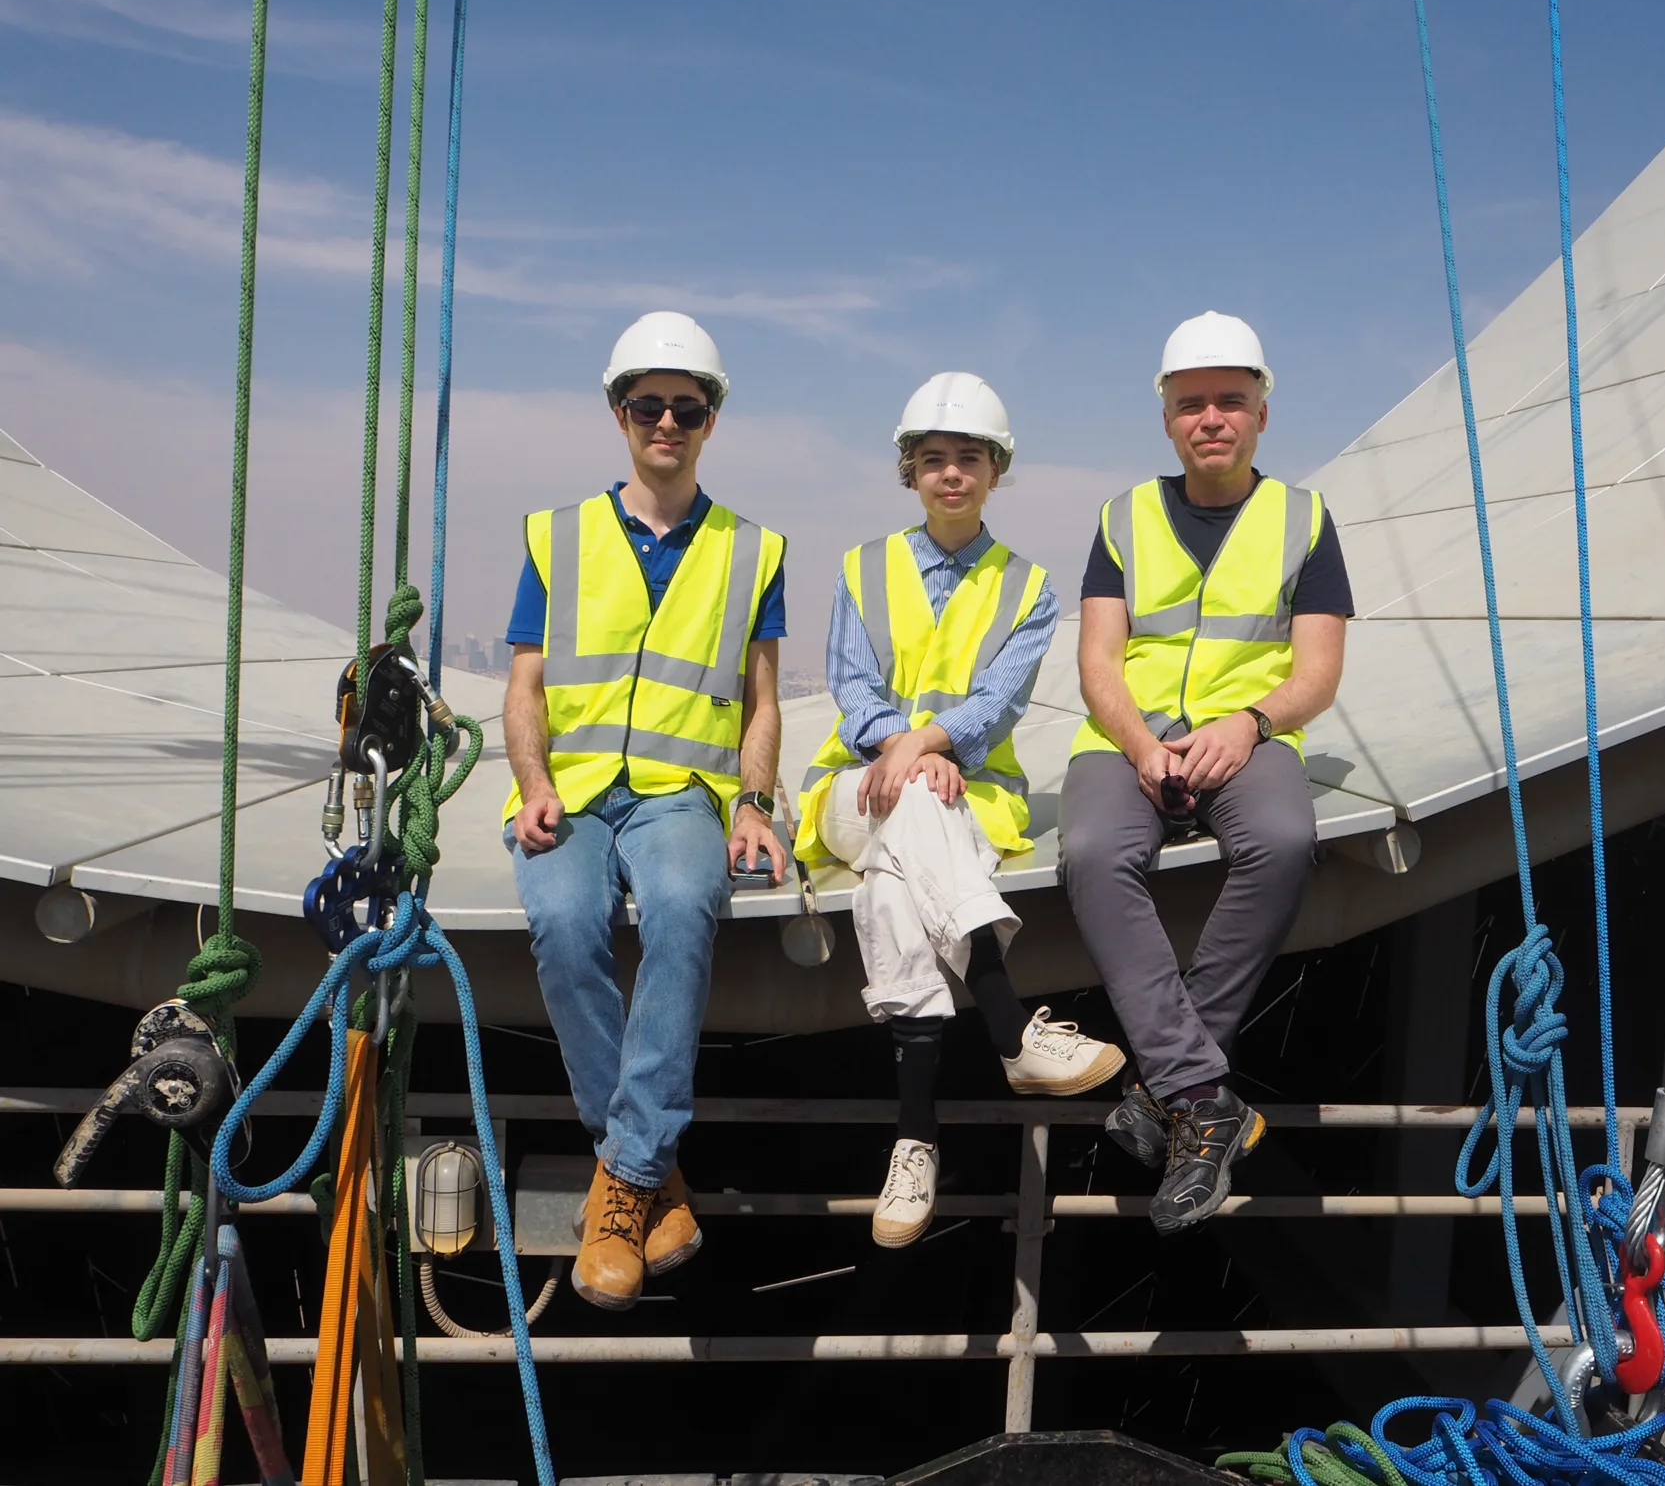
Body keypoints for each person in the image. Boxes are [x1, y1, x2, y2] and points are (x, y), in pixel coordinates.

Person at [795, 372, 1125, 1247]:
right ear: (910, 471)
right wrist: (902, 751)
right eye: (933, 459)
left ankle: (914, 1139)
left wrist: (927, 748)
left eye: (968, 458)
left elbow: (997, 706)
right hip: (857, 788)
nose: (951, 474)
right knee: (908, 814)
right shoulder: (863, 567)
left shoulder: (1029, 587)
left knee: (896, 885)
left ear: (995, 469)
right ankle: (1012, 1030)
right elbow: (855, 690)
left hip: (964, 796)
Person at [501, 311, 789, 1309]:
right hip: (570, 795)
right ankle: (646, 1173)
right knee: (567, 924)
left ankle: (618, 1183)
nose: (666, 421)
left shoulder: (753, 550)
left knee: (680, 912)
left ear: (710, 420)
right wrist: (534, 783)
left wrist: (753, 805)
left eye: (686, 407)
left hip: (677, 799)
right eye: (647, 405)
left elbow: (761, 698)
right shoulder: (557, 535)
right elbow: (525, 685)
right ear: (618, 414)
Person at [1062, 312, 1352, 1234]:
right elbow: (1100, 662)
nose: (1212, 417)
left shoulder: (1303, 518)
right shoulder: (1122, 517)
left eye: (1231, 400)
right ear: (1167, 420)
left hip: (1249, 738)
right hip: (1128, 738)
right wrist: (1142, 745)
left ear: (1262, 412)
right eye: (1193, 403)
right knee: (1093, 854)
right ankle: (1206, 1096)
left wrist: (1250, 722)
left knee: (1281, 838)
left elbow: (1317, 671)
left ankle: (1166, 1089)